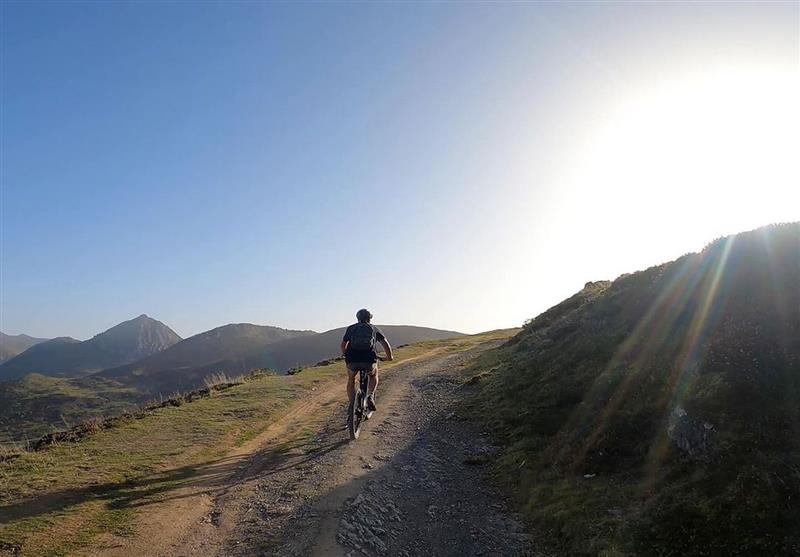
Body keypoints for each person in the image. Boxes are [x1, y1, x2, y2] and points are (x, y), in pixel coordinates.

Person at [340, 308, 393, 411]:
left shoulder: (351, 328)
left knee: (351, 380)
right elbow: (386, 345)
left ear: (357, 318)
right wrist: (389, 357)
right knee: (373, 375)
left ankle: (353, 405)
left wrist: (345, 354)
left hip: (352, 359)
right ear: (370, 318)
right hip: (368, 359)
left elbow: (343, 345)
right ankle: (370, 396)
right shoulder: (374, 329)